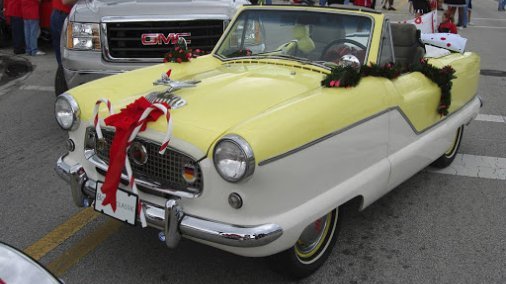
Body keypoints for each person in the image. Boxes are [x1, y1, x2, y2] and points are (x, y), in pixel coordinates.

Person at [50, 0, 75, 65]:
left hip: (58, 13)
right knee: (67, 47)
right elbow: (66, 1)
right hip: (63, 15)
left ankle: (62, 69)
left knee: (59, 46)